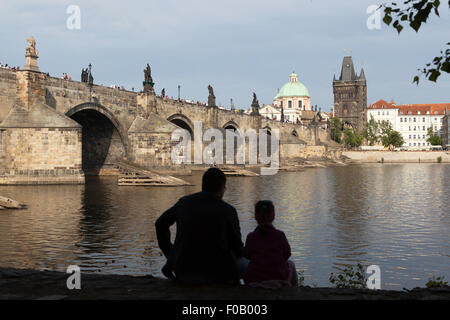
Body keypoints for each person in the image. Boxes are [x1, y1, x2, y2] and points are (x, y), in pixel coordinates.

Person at [155, 168, 244, 285]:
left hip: (184, 270)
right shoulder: (228, 210)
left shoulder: (184, 203)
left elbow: (160, 224)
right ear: (222, 188)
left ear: (203, 185)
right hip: (218, 274)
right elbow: (237, 248)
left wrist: (172, 254)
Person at [242, 200, 298, 288]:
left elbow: (247, 255)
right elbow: (287, 254)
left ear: (256, 216)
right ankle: (293, 290)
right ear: (273, 216)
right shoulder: (280, 235)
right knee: (291, 264)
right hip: (278, 278)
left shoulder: (251, 237)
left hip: (255, 279)